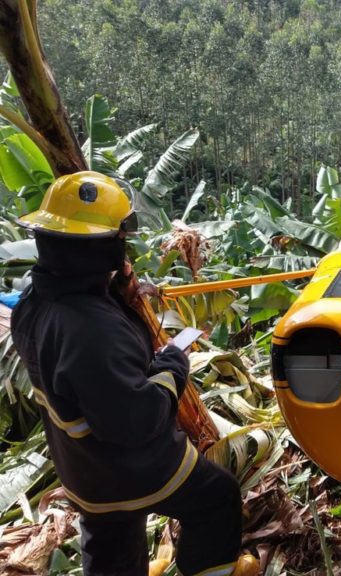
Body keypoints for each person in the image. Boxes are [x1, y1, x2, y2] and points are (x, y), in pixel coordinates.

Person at [11, 172, 243, 576]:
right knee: (217, 497)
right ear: (103, 249)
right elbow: (135, 421)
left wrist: (115, 300)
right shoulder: (92, 327)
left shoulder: (33, 303)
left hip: (83, 471)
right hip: (129, 468)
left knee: (111, 533)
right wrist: (173, 366)